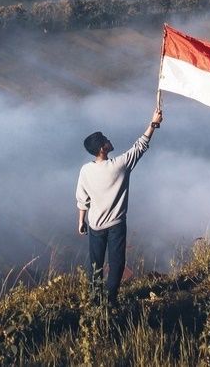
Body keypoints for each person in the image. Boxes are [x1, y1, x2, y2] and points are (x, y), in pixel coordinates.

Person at [76, 107, 163, 307]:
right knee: (116, 263)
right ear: (102, 149)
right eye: (105, 140)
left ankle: (95, 299)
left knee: (95, 263)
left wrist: (81, 221)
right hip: (116, 224)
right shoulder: (119, 166)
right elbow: (140, 146)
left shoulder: (86, 170)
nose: (109, 140)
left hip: (96, 225)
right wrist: (153, 124)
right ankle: (111, 299)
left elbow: (83, 198)